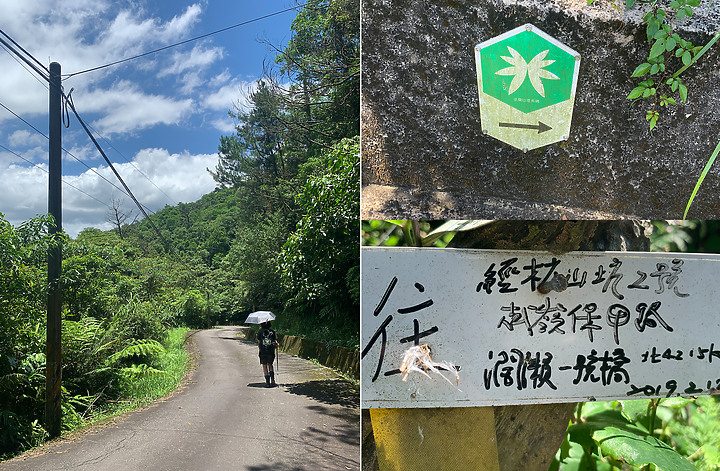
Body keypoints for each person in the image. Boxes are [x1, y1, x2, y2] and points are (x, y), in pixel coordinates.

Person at [257, 321, 279, 387]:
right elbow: (276, 341)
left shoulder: (260, 332)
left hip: (263, 351)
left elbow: (259, 341)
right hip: (271, 350)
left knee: (264, 365)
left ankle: (267, 382)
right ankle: (272, 380)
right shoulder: (272, 332)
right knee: (270, 364)